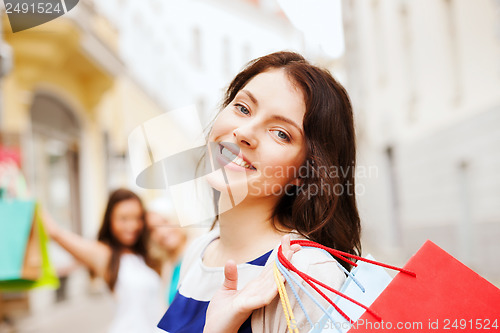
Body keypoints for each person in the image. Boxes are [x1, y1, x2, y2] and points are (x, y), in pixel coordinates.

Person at [157, 51, 361, 333]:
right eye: (242, 108)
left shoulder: (308, 275)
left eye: (280, 133)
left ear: (306, 173)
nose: (244, 133)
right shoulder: (198, 252)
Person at [43, 188, 163, 333]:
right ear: (110, 220)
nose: (132, 226)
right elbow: (56, 233)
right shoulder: (104, 254)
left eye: (137, 218)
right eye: (123, 219)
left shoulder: (145, 255)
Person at [146, 201, 189, 306]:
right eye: (153, 229)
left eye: (165, 222)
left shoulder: (200, 252)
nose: (161, 232)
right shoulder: (168, 265)